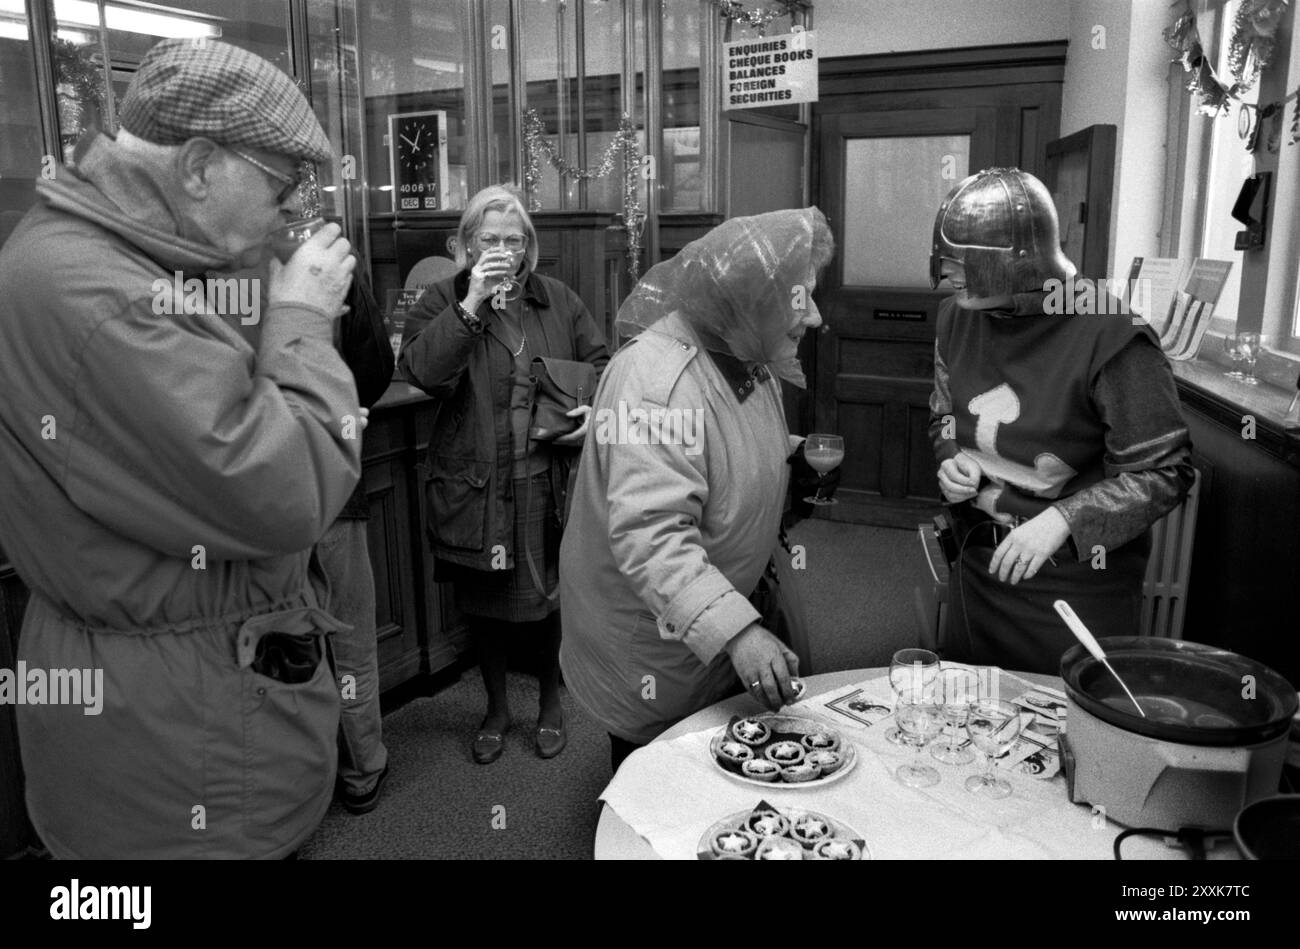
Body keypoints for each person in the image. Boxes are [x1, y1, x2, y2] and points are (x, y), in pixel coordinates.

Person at [0, 39, 359, 859]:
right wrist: (301, 323)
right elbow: (286, 488)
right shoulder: (102, 296)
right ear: (198, 166)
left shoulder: (108, 256)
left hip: (172, 718)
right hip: (179, 761)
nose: (292, 208)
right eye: (281, 183)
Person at [558, 208, 834, 772]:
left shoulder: (742, 350)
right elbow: (651, 535)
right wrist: (738, 634)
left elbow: (722, 446)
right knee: (654, 780)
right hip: (650, 642)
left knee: (711, 772)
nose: (815, 317)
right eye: (800, 298)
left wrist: (791, 458)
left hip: (702, 620)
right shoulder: (655, 384)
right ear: (751, 300)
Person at [927, 167, 1195, 674]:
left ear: (1017, 262)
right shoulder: (955, 317)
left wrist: (1065, 519)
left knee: (1061, 732)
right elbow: (942, 416)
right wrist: (950, 458)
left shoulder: (1112, 332)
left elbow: (1163, 473)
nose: (948, 276)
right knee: (970, 724)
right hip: (979, 563)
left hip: (1075, 581)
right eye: (946, 262)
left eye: (965, 264)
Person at [399, 185, 608, 764]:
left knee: (548, 600)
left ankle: (549, 704)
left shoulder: (556, 299)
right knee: (484, 604)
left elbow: (600, 363)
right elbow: (423, 372)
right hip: (478, 484)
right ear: (466, 244)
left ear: (528, 248)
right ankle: (494, 709)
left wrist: (594, 407)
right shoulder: (440, 298)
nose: (502, 249)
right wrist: (471, 302)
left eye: (513, 240)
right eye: (488, 238)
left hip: (546, 476)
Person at [319, 261, 395, 815]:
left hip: (251, 499)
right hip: (333, 484)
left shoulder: (213, 275)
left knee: (275, 643)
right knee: (349, 641)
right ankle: (362, 767)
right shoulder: (331, 266)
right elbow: (374, 367)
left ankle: (294, 780)